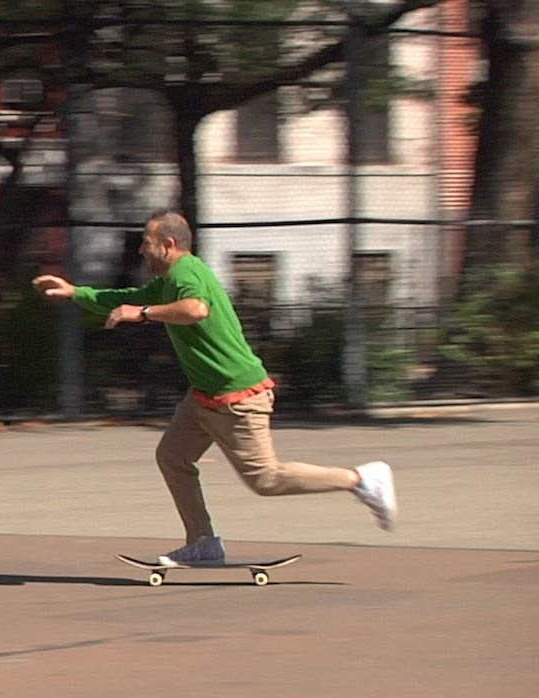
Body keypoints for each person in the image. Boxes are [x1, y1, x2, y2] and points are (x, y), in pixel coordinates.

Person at [32, 210, 397, 566]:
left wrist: (142, 313)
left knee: (266, 480)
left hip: (238, 396)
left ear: (168, 244)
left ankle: (361, 479)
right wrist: (75, 292)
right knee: (173, 457)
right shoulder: (169, 280)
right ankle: (202, 542)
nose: (141, 250)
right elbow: (125, 298)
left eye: (146, 243)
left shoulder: (186, 271)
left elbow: (196, 309)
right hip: (204, 398)